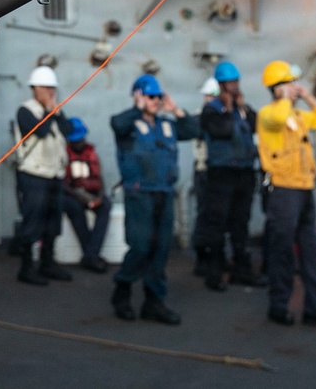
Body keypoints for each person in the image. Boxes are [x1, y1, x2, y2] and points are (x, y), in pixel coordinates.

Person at [257, 60, 316, 330]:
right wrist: (285, 96)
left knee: (312, 252)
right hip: (283, 190)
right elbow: (278, 117)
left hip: (306, 189)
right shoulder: (267, 114)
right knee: (282, 251)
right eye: (288, 83)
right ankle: (279, 306)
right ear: (276, 88)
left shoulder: (297, 116)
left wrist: (307, 95)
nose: (294, 88)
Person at [110, 74, 198, 325]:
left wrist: (176, 109)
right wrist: (136, 107)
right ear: (138, 95)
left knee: (160, 250)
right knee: (140, 246)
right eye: (150, 96)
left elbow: (192, 130)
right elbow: (116, 125)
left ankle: (154, 302)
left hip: (164, 193)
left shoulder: (167, 125)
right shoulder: (128, 124)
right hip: (139, 194)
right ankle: (122, 291)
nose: (155, 101)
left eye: (158, 96)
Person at [199, 62, 266, 291]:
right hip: (222, 173)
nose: (235, 87)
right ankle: (214, 274)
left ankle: (242, 271)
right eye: (230, 83)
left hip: (245, 172)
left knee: (240, 223)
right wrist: (227, 109)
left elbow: (257, 125)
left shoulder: (242, 109)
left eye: (236, 82)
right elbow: (222, 131)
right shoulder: (212, 110)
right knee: (218, 224)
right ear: (220, 85)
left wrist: (241, 108)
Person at [12, 65, 75, 285]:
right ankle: (26, 267)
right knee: (33, 221)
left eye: (52, 88)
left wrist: (55, 111)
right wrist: (50, 110)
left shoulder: (54, 110)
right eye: (46, 87)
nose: (50, 91)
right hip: (33, 174)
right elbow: (40, 130)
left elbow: (68, 131)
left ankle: (47, 262)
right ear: (35, 88)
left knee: (52, 221)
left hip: (54, 175)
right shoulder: (25, 110)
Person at [62, 116, 112, 273]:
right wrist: (79, 196)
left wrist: (99, 196)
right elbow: (61, 183)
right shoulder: (63, 155)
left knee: (106, 205)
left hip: (91, 192)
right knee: (75, 209)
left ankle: (90, 255)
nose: (79, 143)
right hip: (71, 193)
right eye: (75, 141)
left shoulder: (92, 153)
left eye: (81, 139)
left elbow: (99, 177)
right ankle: (92, 256)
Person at [191, 76, 218, 276]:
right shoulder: (200, 117)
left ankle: (215, 257)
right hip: (204, 170)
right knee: (205, 214)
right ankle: (202, 257)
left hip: (218, 171)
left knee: (217, 216)